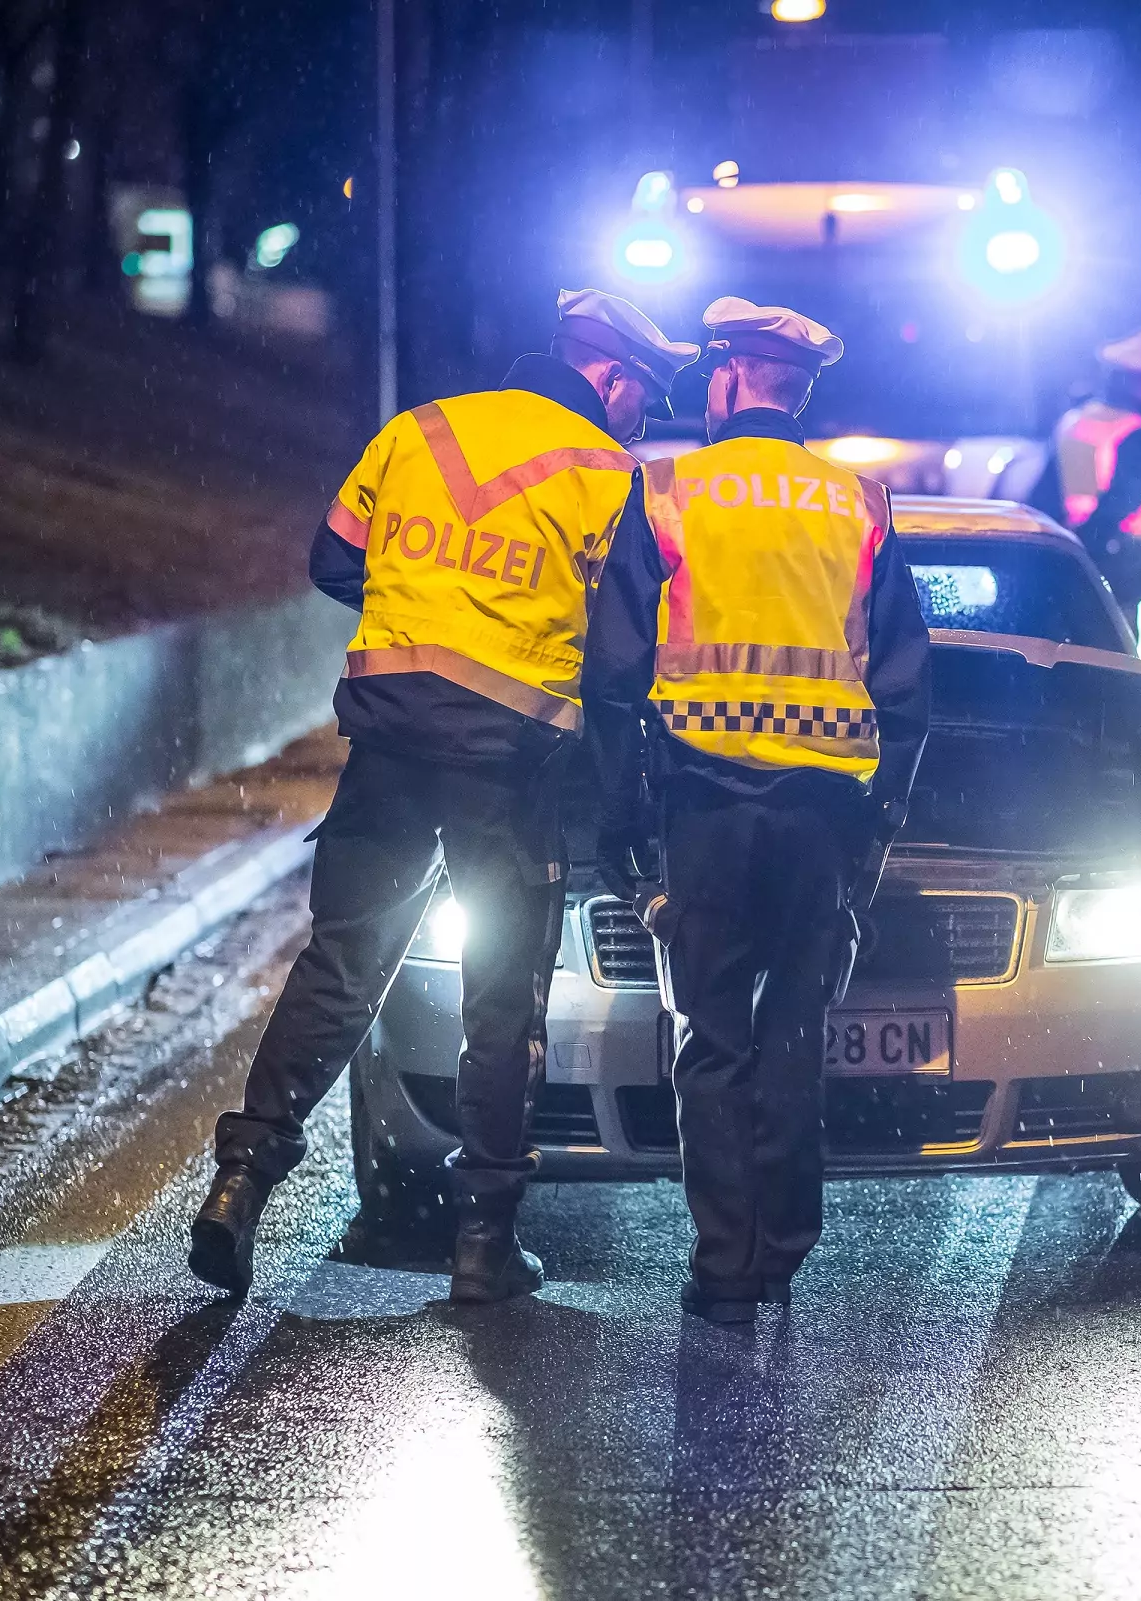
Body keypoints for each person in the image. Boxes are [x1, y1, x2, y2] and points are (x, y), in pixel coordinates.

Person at [189, 289, 699, 1303]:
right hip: (508, 767)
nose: (639, 412)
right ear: (611, 377)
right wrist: (618, 802)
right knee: (501, 997)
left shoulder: (417, 429)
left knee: (342, 961)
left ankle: (241, 1180)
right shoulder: (609, 476)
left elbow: (334, 559)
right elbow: (623, 661)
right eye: (642, 392)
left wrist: (433, 607)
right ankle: (483, 1242)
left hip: (388, 738)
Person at [582, 297, 932, 1324]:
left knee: (716, 1038)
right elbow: (909, 685)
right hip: (823, 815)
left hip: (705, 810)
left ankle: (726, 1259)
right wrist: (880, 823)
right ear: (800, 388)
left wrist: (617, 823)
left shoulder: (667, 490)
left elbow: (612, 676)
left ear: (728, 377)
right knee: (792, 1035)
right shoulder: (856, 502)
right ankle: (784, 1244)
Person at [1045, 328, 1141, 625]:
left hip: (1073, 553)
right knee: (1118, 649)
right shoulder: (1134, 431)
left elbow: (1048, 491)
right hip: (1119, 559)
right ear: (1139, 380)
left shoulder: (1073, 422)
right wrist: (1092, 542)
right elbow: (1125, 498)